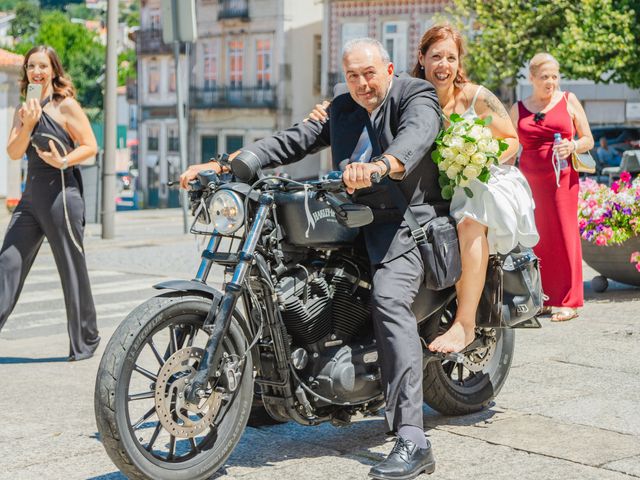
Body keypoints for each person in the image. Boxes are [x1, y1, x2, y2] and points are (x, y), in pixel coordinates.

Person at [181, 38, 441, 480]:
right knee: (283, 272)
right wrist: (229, 167)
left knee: (388, 299)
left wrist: (383, 164)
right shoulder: (342, 107)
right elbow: (293, 141)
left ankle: (413, 438)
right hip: (349, 219)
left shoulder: (415, 94)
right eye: (353, 76)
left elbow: (416, 136)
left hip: (403, 222)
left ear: (390, 68)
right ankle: (274, 387)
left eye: (369, 74)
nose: (362, 84)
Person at [309, 24, 538, 353]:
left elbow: (512, 140)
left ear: (459, 63)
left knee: (470, 219)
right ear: (421, 58)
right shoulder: (405, 93)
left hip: (477, 179)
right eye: (436, 57)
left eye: (451, 58)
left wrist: (477, 160)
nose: (443, 65)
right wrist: (329, 112)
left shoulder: (476, 96)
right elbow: (364, 104)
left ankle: (465, 323)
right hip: (428, 187)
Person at [0, 45, 100, 360]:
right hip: (31, 200)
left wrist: (64, 160)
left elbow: (90, 146)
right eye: (31, 66)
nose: (37, 72)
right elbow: (14, 152)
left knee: (71, 269)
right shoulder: (24, 110)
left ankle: (87, 337)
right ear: (26, 71)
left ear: (53, 70)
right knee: (8, 263)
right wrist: (29, 123)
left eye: (43, 66)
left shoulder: (65, 105)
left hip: (62, 195)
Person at [509, 53, 594, 322]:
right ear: (531, 78)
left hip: (562, 179)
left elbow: (588, 139)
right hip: (529, 181)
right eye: (545, 76)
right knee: (537, 237)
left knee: (564, 235)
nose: (551, 82)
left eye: (555, 76)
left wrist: (573, 145)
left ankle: (569, 301)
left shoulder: (568, 100)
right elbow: (511, 148)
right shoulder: (518, 108)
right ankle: (543, 298)